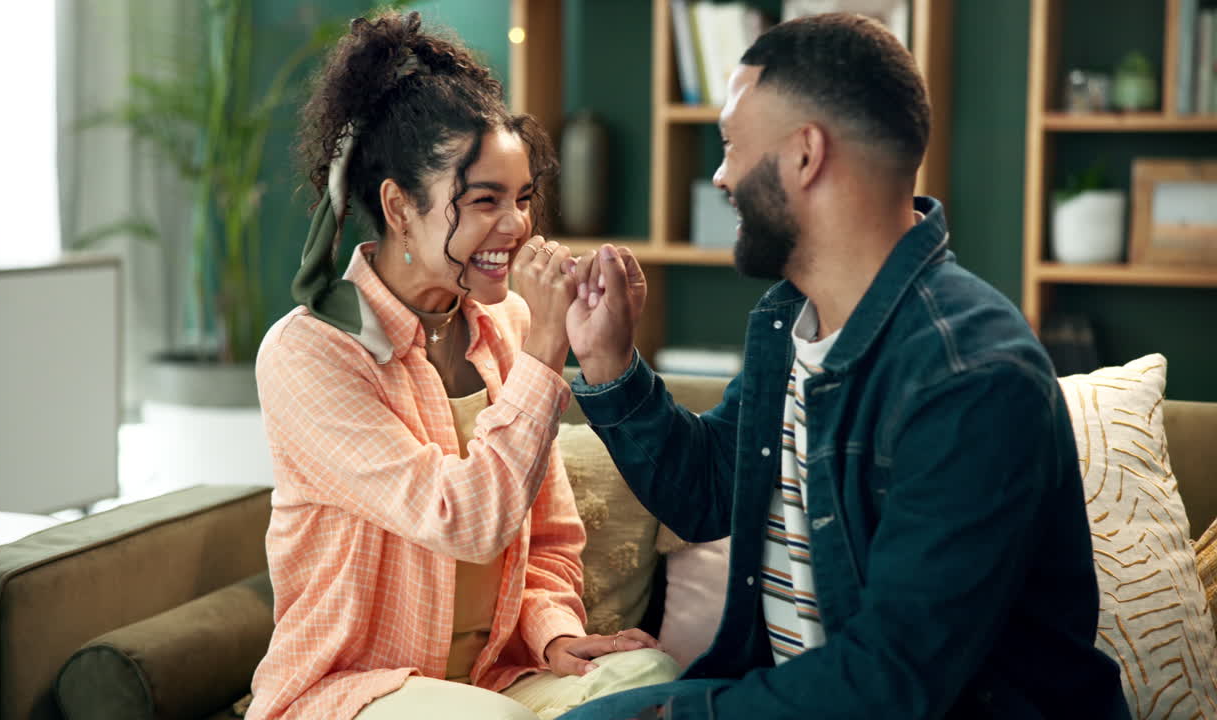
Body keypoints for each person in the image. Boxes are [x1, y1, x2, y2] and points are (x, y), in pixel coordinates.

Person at [558, 13, 1130, 720]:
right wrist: (610, 363)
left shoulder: (971, 374)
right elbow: (709, 489)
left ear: (805, 155)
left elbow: (893, 680)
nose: (720, 174)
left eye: (732, 144)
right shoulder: (791, 321)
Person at [248, 12, 678, 720]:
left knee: (650, 675)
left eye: (523, 200)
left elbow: (549, 537)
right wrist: (548, 349)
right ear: (399, 206)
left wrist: (556, 638)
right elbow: (464, 520)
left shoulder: (506, 324)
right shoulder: (309, 353)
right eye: (484, 201)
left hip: (493, 678)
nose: (516, 228)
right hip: (354, 690)